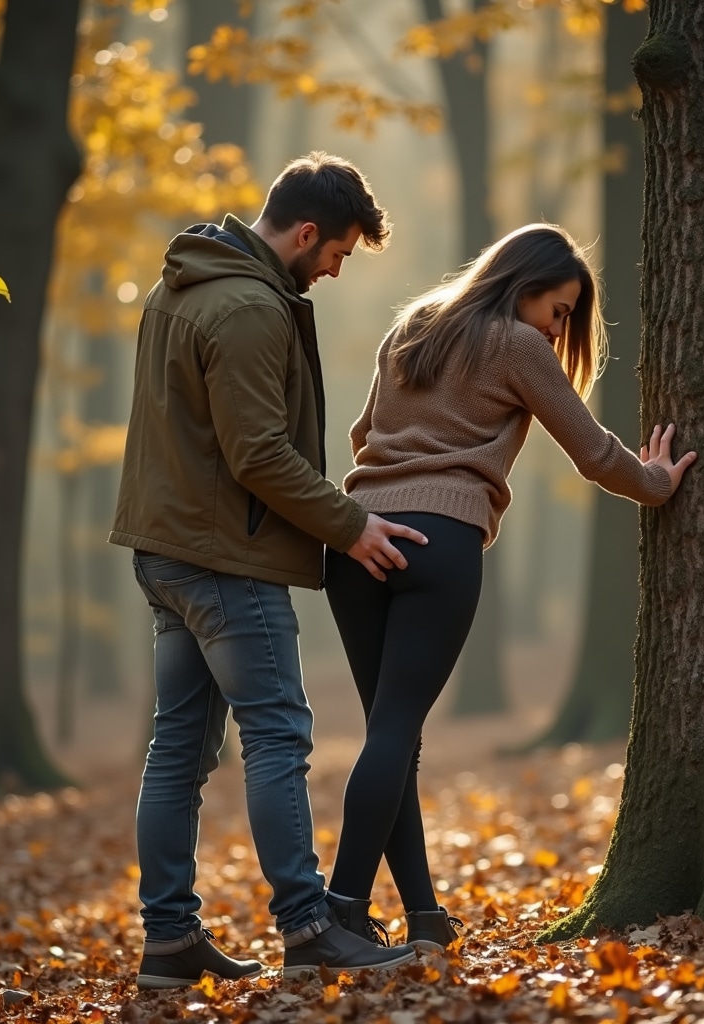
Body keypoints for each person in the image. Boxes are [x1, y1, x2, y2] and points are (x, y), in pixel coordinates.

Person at [321, 223, 698, 953]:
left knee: (390, 734)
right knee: (396, 732)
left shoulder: (413, 325)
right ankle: (339, 911)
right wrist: (656, 483)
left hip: (359, 541)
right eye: (558, 311)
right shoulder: (516, 345)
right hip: (441, 541)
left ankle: (423, 915)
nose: (560, 331)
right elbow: (592, 452)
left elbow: (363, 433)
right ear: (522, 286)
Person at [109, 152, 425, 988]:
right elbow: (257, 454)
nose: (333, 269)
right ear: (308, 231)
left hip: (169, 549)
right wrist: (350, 525)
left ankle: (170, 941)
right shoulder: (250, 308)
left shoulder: (183, 286)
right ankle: (309, 925)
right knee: (277, 736)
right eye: (338, 254)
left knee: (177, 750)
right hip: (225, 559)